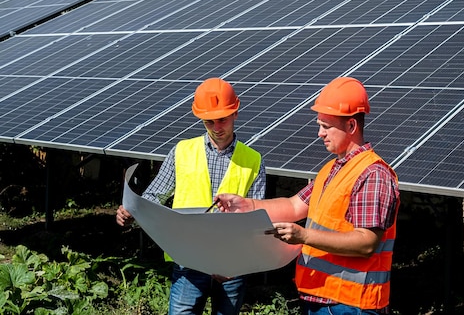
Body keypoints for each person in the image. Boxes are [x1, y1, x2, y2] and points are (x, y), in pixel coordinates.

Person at [217, 76, 400, 315]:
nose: (319, 133)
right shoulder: (331, 170)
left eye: (326, 126)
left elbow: (366, 242)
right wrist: (246, 205)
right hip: (321, 298)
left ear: (351, 126)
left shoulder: (373, 174)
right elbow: (294, 206)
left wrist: (303, 235)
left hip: (351, 305)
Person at [116, 77, 266, 315]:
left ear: (235, 113)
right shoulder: (182, 151)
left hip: (231, 267)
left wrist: (236, 262)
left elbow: (257, 220)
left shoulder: (254, 160)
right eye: (209, 121)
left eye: (222, 120)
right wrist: (133, 210)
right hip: (188, 260)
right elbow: (155, 195)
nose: (217, 128)